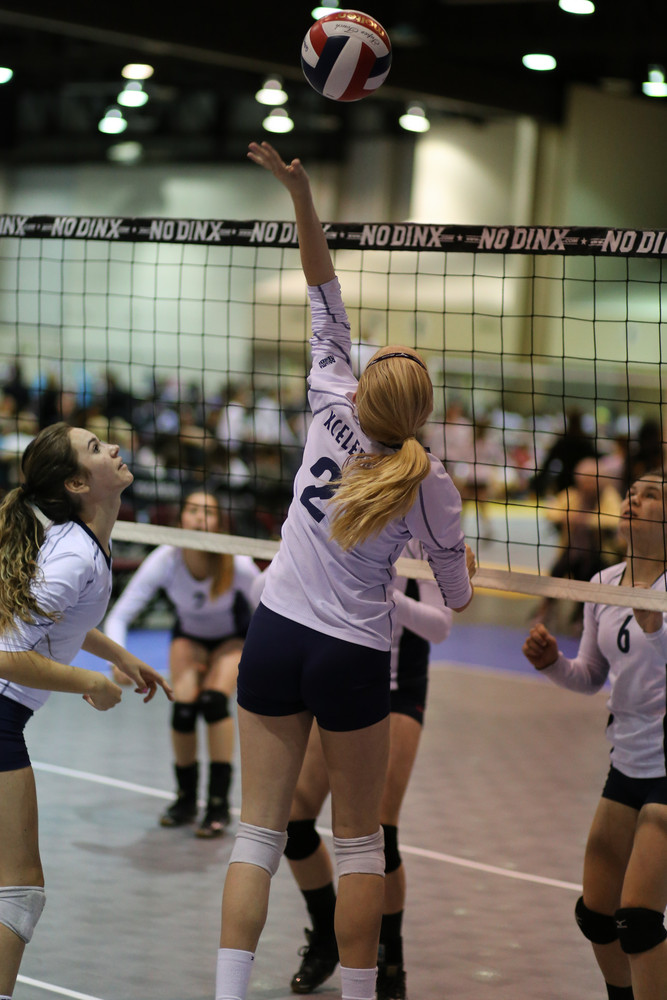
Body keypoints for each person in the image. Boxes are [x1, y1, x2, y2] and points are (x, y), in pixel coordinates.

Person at [213, 140, 474, 1000]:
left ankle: (226, 991)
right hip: (354, 652)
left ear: (362, 389)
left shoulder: (328, 395)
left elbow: (322, 285)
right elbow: (458, 599)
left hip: (276, 632)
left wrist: (300, 194)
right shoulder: (431, 484)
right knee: (360, 842)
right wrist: (455, 559)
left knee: (257, 834)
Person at [0, 421, 173, 1000]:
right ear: (77, 483)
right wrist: (88, 683)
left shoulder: (80, 544)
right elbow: (5, 653)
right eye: (96, 448)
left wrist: (119, 655)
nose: (115, 447)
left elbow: (63, 619)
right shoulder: (75, 554)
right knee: (20, 890)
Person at [284, 538, 474, 1000]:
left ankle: (389, 961)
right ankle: (326, 936)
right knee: (294, 822)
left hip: (396, 689)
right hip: (341, 679)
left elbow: (440, 626)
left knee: (379, 834)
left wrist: (384, 591)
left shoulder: (426, 532)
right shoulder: (343, 515)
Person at [522, 470, 667, 1000]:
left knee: (639, 921)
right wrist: (552, 664)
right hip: (626, 761)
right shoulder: (602, 584)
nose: (634, 499)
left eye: (651, 495)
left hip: (666, 768)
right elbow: (589, 676)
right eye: (631, 492)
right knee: (597, 914)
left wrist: (655, 631)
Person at [104, 489, 260, 837]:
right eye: (192, 510)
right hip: (188, 637)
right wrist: (119, 658)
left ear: (219, 523)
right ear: (180, 519)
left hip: (232, 638)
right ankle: (186, 800)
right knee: (184, 710)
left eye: (208, 512)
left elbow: (267, 607)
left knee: (214, 703)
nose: (199, 517)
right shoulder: (165, 558)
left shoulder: (236, 562)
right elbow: (120, 615)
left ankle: (218, 804)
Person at [532, 456, 621, 630]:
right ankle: (546, 608)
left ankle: (581, 614)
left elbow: (614, 519)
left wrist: (587, 521)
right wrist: (568, 517)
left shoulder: (608, 496)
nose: (587, 485)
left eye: (591, 481)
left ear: (599, 481)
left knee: (587, 571)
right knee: (559, 569)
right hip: (571, 553)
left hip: (601, 557)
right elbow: (551, 512)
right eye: (584, 480)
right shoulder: (572, 495)